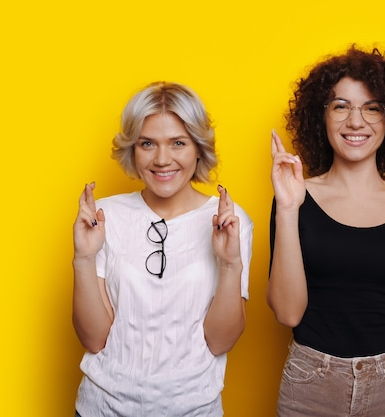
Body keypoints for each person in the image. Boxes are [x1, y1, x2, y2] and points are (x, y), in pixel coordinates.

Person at [268, 45, 385, 417]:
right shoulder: (295, 196)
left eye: (372, 108)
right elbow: (288, 313)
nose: (356, 121)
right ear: (320, 116)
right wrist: (288, 209)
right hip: (309, 385)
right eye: (340, 106)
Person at [72, 81, 253, 417]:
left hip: (194, 409)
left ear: (198, 148)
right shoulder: (104, 216)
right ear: (133, 149)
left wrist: (230, 265)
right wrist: (83, 258)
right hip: (102, 408)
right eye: (148, 144)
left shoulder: (229, 220)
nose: (162, 159)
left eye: (178, 143)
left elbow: (220, 342)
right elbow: (94, 339)